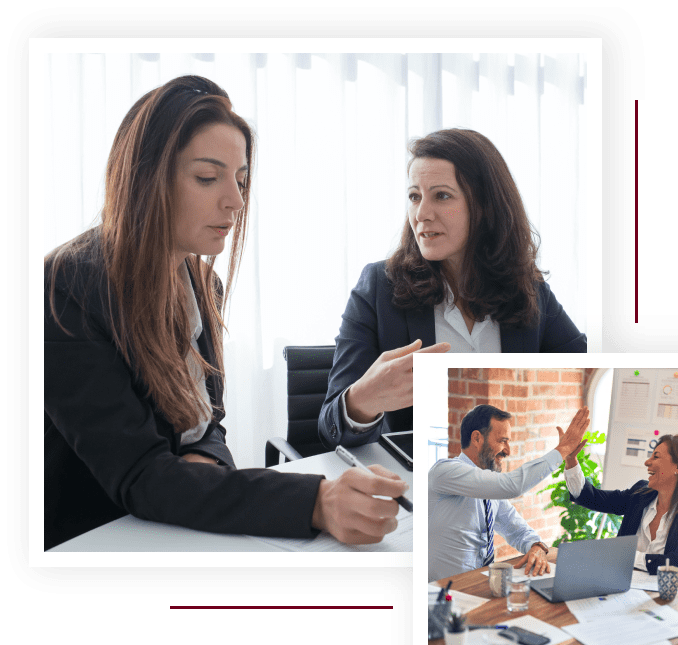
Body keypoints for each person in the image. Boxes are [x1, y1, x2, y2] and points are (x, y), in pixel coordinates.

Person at [43, 75, 407, 551]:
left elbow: (206, 422)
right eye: (207, 178)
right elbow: (140, 475)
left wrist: (204, 463)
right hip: (96, 543)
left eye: (239, 180)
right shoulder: (66, 285)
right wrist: (315, 502)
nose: (235, 201)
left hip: (175, 528)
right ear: (145, 179)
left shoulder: (200, 283)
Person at [319, 128, 586, 450]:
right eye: (415, 196)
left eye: (441, 196)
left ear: (484, 206)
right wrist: (363, 399)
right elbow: (330, 426)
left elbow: (580, 373)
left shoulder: (527, 289)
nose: (421, 214)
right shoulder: (378, 287)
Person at [428, 404, 590, 583]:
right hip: (439, 593)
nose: (508, 451)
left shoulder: (489, 491)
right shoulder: (444, 471)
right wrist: (563, 449)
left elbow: (517, 530)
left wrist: (536, 546)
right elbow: (512, 486)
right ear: (476, 438)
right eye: (502, 440)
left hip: (478, 587)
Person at [565, 434, 678, 581]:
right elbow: (594, 498)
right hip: (623, 586)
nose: (647, 462)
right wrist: (571, 460)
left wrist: (625, 555)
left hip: (670, 597)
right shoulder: (640, 494)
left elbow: (677, 564)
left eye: (656, 457)